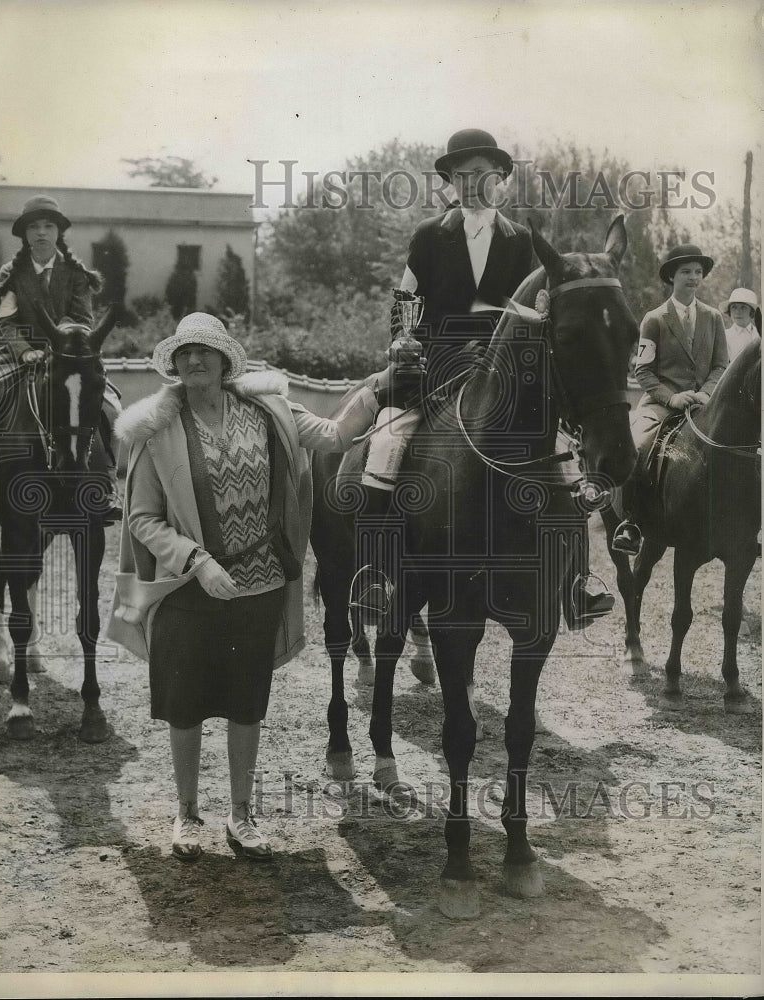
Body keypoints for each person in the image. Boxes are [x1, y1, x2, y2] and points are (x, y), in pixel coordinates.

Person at [106, 312, 398, 862]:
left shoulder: (270, 413)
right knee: (186, 704)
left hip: (261, 584)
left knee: (246, 703)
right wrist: (196, 560)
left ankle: (242, 815)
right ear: (174, 363)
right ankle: (188, 814)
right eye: (185, 353)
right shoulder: (156, 430)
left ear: (224, 361)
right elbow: (142, 518)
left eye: (206, 351)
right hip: (186, 589)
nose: (195, 360)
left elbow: (335, 435)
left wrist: (379, 385)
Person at [353, 127, 614, 628]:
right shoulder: (430, 234)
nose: (473, 183)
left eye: (484, 174)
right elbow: (407, 300)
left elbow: (536, 308)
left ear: (500, 180)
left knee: (563, 460)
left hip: (506, 378)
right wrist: (404, 339)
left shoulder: (522, 241)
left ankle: (580, 582)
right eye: (462, 175)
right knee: (388, 440)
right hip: (436, 370)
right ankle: (377, 574)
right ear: (449, 181)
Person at [0, 194, 123, 523]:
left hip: (69, 355)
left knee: (111, 405)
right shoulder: (12, 272)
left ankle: (107, 481)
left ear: (58, 232)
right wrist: (26, 350)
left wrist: (61, 342)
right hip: (18, 354)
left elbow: (83, 320)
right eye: (34, 227)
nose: (41, 232)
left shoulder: (75, 274)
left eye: (48, 226)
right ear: (24, 234)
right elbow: (5, 321)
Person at [612, 244, 729, 555]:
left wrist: (706, 392)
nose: (693, 278)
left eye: (697, 273)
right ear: (671, 277)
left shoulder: (714, 317)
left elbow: (721, 365)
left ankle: (735, 522)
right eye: (686, 272)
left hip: (703, 404)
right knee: (637, 446)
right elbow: (644, 371)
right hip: (661, 405)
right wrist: (672, 397)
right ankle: (632, 523)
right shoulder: (654, 319)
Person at [722, 287, 761, 362]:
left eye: (743, 307)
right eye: (734, 307)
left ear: (752, 312)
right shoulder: (725, 336)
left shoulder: (759, 334)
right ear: (729, 311)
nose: (737, 312)